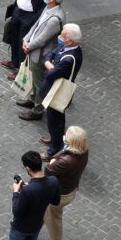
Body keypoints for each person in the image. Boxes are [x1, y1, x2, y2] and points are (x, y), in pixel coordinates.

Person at [40, 124, 87, 240]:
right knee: (47, 211)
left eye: (67, 136)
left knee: (53, 217)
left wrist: (53, 159)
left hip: (60, 195)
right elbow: (63, 151)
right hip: (70, 190)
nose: (64, 136)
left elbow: (48, 170)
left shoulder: (66, 161)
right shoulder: (83, 151)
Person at [37, 23, 82, 154]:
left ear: (71, 40)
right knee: (57, 119)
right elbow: (50, 54)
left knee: (54, 121)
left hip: (57, 93)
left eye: (63, 35)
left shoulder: (69, 59)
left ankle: (54, 149)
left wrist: (47, 64)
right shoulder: (67, 48)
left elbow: (51, 73)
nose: (60, 36)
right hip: (54, 90)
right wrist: (50, 63)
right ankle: (55, 140)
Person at [15, 0, 65, 100]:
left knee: (38, 83)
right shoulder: (48, 8)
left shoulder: (55, 19)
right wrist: (26, 39)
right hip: (33, 49)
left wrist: (28, 46)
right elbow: (36, 25)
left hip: (40, 54)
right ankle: (32, 100)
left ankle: (37, 109)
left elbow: (42, 40)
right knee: (32, 79)